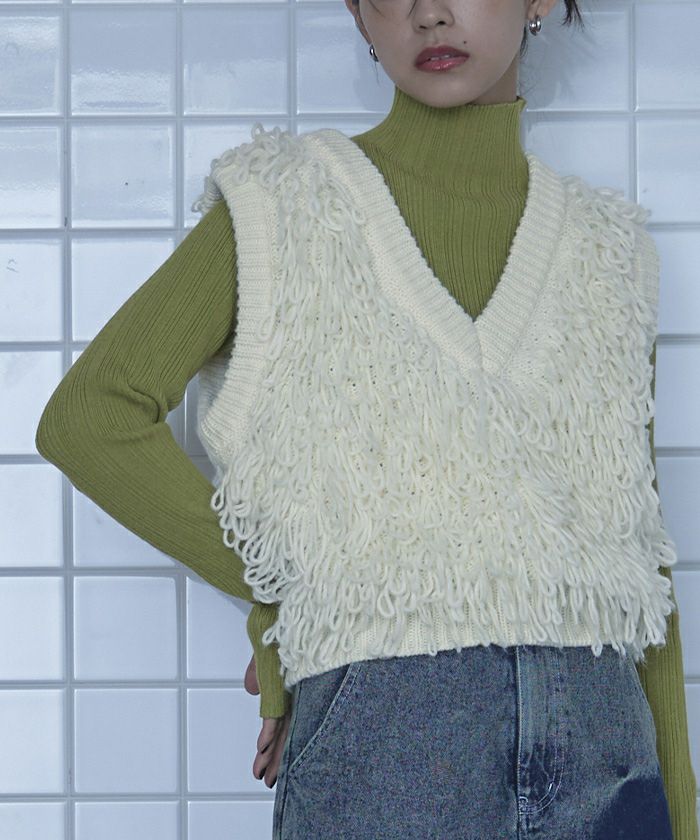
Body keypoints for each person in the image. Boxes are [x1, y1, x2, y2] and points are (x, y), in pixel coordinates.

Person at [35, 0, 697, 837]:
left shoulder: (611, 250)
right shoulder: (283, 206)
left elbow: (639, 558)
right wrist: (286, 599)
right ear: (355, 12)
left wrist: (683, 811)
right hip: (390, 747)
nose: (429, 13)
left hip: (609, 748)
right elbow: (89, 418)